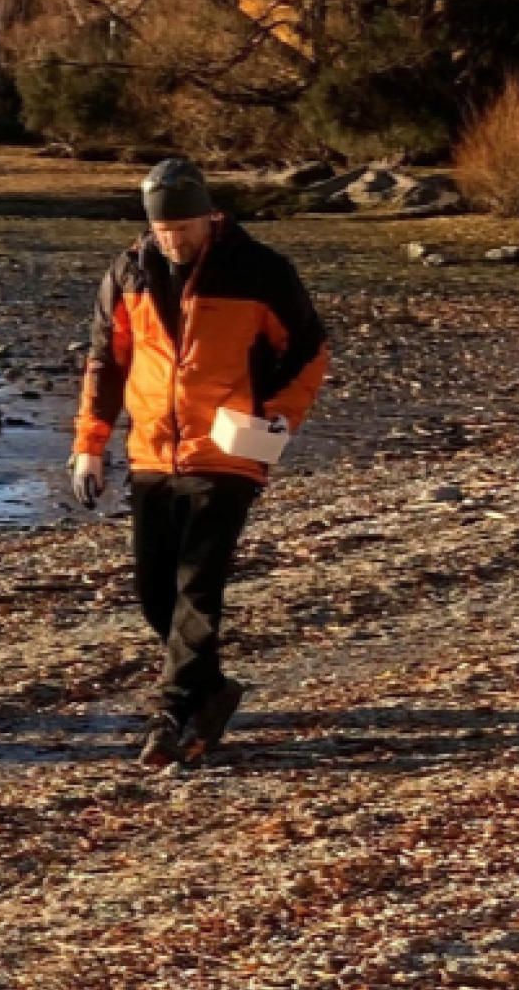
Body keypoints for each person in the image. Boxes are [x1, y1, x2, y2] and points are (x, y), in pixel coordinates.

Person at [70, 160, 329, 767]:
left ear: (211, 216)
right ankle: (213, 689)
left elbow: (310, 353)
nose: (174, 240)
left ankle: (170, 709)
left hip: (231, 451)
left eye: (184, 227)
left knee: (197, 584)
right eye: (164, 230)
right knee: (152, 591)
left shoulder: (260, 271)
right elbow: (106, 363)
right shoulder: (127, 272)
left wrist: (276, 422)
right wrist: (89, 444)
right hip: (153, 451)